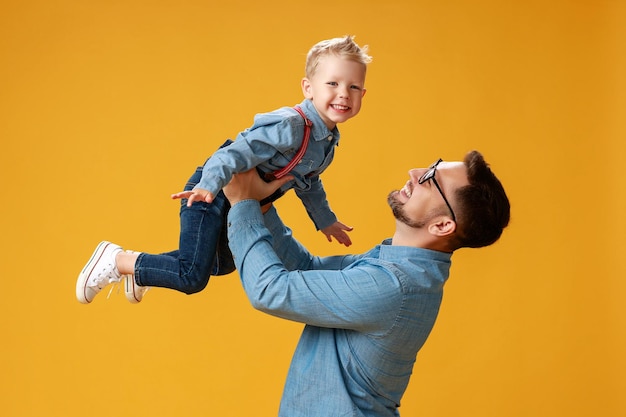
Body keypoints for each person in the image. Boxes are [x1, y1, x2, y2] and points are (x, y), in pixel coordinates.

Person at [76, 35, 372, 304]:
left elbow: (310, 183)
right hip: (213, 191)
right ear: (308, 88)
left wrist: (326, 221)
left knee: (223, 263)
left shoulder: (327, 141)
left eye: (353, 86)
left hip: (241, 203)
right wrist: (208, 185)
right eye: (333, 83)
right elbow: (232, 153)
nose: (344, 93)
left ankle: (142, 270)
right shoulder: (291, 125)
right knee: (191, 277)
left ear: (363, 94)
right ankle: (116, 260)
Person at [221, 150, 510, 416]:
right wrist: (262, 206)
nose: (414, 172)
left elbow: (271, 291)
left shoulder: (394, 285)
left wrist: (243, 205)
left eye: (430, 179)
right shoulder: (397, 268)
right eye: (433, 165)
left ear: (443, 226)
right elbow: (305, 269)